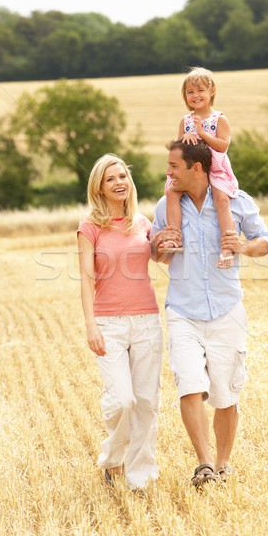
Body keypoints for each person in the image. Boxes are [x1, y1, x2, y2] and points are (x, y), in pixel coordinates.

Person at [152, 140, 268, 488]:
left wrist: (245, 247)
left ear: (197, 168)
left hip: (227, 310)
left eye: (174, 166)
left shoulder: (235, 200)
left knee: (226, 394)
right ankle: (203, 463)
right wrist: (158, 247)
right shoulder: (166, 205)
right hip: (183, 311)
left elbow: (265, 239)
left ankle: (222, 464)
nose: (168, 172)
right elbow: (157, 256)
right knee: (189, 386)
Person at [77, 153, 163, 492]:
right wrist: (90, 326)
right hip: (108, 323)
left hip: (147, 321)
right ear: (99, 186)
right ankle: (113, 456)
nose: (119, 183)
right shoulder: (89, 227)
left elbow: (164, 255)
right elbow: (85, 279)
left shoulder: (142, 223)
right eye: (111, 178)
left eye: (123, 177)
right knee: (122, 400)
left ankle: (141, 476)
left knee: (146, 401)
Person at [162, 66, 239, 269]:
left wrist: (200, 134)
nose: (195, 95)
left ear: (212, 91)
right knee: (171, 193)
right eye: (190, 92)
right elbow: (178, 150)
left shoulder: (219, 119)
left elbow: (223, 146)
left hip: (213, 167)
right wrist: (185, 138)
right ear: (185, 96)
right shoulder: (185, 120)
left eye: (200, 90)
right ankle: (174, 236)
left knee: (220, 196)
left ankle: (228, 244)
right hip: (190, 170)